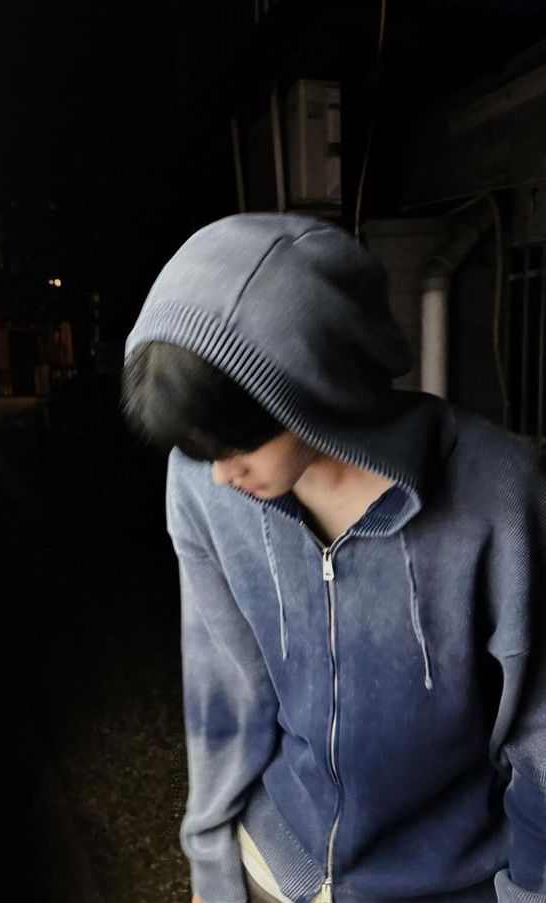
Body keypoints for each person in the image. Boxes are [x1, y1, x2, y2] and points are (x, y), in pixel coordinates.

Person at [120, 213, 546, 903]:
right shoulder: (197, 483)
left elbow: (537, 738)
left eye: (235, 444)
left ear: (315, 385)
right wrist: (211, 869)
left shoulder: (501, 490)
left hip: (450, 879)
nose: (221, 474)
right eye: (199, 449)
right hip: (275, 862)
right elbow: (223, 695)